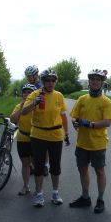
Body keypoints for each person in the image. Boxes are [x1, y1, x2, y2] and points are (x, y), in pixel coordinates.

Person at [69, 69, 111, 214]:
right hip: (82, 142)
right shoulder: (82, 99)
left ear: (102, 83)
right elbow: (74, 116)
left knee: (99, 171)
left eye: (98, 79)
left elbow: (107, 122)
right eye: (93, 79)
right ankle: (85, 197)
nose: (95, 81)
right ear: (89, 82)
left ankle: (100, 200)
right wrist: (75, 122)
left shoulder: (106, 101)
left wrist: (90, 124)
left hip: (98, 143)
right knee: (82, 170)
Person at [21, 70, 70, 207]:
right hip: (38, 135)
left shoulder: (59, 95)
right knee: (39, 166)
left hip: (55, 135)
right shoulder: (34, 94)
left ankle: (55, 193)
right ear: (43, 81)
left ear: (55, 82)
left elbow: (63, 116)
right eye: (47, 80)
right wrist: (34, 103)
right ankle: (39, 194)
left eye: (53, 80)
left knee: (55, 166)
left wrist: (66, 133)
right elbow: (24, 111)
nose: (50, 83)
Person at [10, 83, 37, 196]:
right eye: (25, 92)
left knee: (36, 164)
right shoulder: (19, 106)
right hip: (22, 138)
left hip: (36, 138)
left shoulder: (38, 106)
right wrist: (21, 107)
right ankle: (26, 186)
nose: (26, 94)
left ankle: (38, 189)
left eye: (29, 92)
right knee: (25, 164)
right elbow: (13, 120)